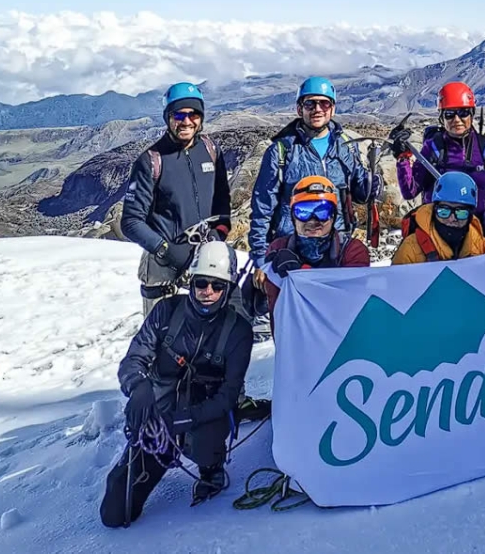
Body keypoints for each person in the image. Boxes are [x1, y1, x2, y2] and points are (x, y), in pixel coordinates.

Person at [99, 242, 253, 527]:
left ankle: (211, 467)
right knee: (115, 513)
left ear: (228, 288)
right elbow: (133, 361)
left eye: (217, 286)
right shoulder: (166, 312)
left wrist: (184, 419)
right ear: (190, 282)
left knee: (208, 440)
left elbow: (228, 395)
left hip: (203, 412)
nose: (208, 292)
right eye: (201, 283)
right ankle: (160, 451)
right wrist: (138, 388)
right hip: (159, 414)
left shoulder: (239, 332)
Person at [122, 82, 232, 318]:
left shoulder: (212, 150)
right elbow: (131, 222)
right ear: (167, 117)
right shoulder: (150, 161)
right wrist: (166, 250)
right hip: (164, 267)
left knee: (207, 335)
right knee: (162, 338)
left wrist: (219, 233)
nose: (186, 121)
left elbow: (222, 200)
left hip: (205, 257)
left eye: (193, 114)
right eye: (178, 114)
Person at [248, 76, 380, 264]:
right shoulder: (282, 151)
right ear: (299, 108)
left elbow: (359, 194)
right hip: (291, 250)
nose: (317, 109)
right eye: (310, 103)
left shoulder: (345, 147)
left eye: (324, 104)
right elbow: (262, 209)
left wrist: (370, 184)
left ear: (332, 108)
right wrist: (261, 258)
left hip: (335, 248)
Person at [389, 82, 485, 248]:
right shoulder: (432, 147)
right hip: (435, 237)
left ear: (472, 113)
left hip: (477, 232)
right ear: (441, 117)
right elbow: (410, 191)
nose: (457, 119)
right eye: (449, 114)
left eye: (463, 113)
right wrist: (402, 159)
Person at [258, 175, 371, 339]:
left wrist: (301, 273)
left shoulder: (352, 251)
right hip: (294, 348)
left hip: (342, 347)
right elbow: (275, 304)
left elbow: (350, 300)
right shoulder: (278, 248)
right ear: (293, 217)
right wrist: (259, 290)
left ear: (333, 216)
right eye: (303, 211)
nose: (313, 220)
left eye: (322, 211)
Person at [392, 171, 485, 264]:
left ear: (470, 215)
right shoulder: (411, 248)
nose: (452, 218)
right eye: (444, 211)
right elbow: (397, 282)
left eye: (461, 213)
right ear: (434, 210)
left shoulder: (481, 246)